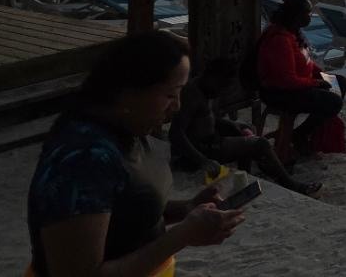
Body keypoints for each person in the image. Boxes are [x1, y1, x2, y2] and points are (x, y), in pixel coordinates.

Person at [27, 31, 244, 276]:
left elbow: (126, 211)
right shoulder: (83, 159)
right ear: (129, 90)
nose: (178, 106)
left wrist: (186, 208)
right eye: (170, 94)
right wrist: (182, 236)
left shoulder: (130, 129)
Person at [170, 58, 321, 196]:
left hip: (209, 142)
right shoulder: (191, 94)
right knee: (259, 144)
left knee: (246, 129)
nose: (222, 91)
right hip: (199, 151)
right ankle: (292, 185)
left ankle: (245, 175)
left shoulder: (208, 90)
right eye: (221, 85)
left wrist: (233, 124)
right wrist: (203, 160)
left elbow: (204, 119)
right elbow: (176, 133)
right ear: (210, 76)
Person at [256, 0, 344, 158]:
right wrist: (316, 83)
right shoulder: (281, 40)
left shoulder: (293, 33)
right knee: (333, 102)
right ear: (297, 16)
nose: (311, 16)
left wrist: (322, 75)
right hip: (279, 92)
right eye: (308, 13)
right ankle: (300, 135)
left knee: (339, 83)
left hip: (295, 85)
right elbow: (286, 80)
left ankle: (306, 134)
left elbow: (306, 62)